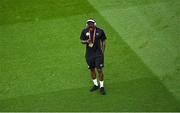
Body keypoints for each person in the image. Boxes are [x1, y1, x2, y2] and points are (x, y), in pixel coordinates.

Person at [80, 19, 107, 95]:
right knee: (92, 69)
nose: (90, 27)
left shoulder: (100, 31)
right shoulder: (84, 31)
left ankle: (102, 86)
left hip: (98, 54)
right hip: (89, 54)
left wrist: (102, 52)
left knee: (99, 69)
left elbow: (104, 41)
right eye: (89, 26)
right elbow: (81, 40)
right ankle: (95, 85)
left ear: (95, 25)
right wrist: (86, 41)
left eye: (91, 26)